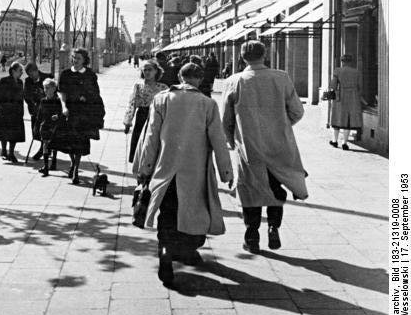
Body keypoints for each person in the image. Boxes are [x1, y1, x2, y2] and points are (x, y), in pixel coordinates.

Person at [135, 62, 233, 286]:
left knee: (167, 216)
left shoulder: (161, 99)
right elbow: (219, 141)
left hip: (165, 171)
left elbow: (151, 137)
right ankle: (188, 251)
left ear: (180, 77)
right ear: (199, 79)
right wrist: (226, 172)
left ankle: (165, 255)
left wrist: (145, 169)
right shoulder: (208, 104)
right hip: (196, 173)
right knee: (193, 214)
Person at [221, 40, 307, 254]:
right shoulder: (281, 77)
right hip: (279, 145)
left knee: (250, 190)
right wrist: (282, 126)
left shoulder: (234, 81)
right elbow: (297, 111)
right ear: (265, 55)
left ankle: (251, 234)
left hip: (248, 147)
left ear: (242, 57)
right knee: (276, 188)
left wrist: (232, 141)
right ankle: (273, 227)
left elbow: (226, 120)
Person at [58, 48, 105, 186]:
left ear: (84, 60)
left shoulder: (90, 74)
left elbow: (96, 93)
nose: (75, 60)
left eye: (78, 58)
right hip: (70, 111)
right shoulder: (65, 74)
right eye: (73, 57)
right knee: (69, 141)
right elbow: (62, 93)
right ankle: (73, 163)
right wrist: (64, 107)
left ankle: (76, 169)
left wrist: (87, 97)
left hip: (84, 113)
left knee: (79, 141)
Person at [123, 59, 167, 163]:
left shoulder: (163, 88)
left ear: (156, 71)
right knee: (139, 141)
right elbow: (132, 104)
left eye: (150, 70)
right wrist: (128, 122)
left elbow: (167, 106)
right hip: (142, 116)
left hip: (157, 118)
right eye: (145, 70)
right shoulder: (138, 86)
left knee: (153, 144)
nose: (147, 72)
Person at [0, 61, 25, 163]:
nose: (21, 72)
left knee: (14, 134)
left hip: (16, 111)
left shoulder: (20, 82)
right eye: (20, 70)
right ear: (13, 71)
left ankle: (11, 153)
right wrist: (1, 104)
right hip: (5, 111)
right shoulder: (4, 81)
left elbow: (21, 97)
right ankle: (4, 151)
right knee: (4, 132)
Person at [328, 54, 365, 150]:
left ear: (342, 62)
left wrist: (332, 91)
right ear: (351, 62)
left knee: (337, 119)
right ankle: (345, 143)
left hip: (340, 97)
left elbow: (333, 85)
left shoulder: (338, 70)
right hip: (353, 98)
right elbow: (360, 86)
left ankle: (335, 141)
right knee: (348, 120)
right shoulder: (356, 72)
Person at [23, 61, 50, 161]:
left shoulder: (47, 77)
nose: (31, 76)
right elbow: (26, 95)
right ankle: (45, 148)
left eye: (31, 73)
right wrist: (32, 103)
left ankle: (43, 150)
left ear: (36, 70)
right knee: (35, 132)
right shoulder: (28, 81)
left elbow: (53, 92)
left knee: (45, 131)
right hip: (35, 110)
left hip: (46, 109)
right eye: (29, 74)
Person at [36, 80, 62, 177]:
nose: (45, 90)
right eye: (44, 88)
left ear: (54, 89)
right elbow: (39, 115)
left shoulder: (58, 101)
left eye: (48, 88)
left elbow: (61, 113)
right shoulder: (43, 100)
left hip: (54, 125)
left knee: (54, 145)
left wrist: (57, 116)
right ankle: (46, 167)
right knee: (45, 145)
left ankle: (54, 162)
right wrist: (36, 126)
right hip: (45, 125)